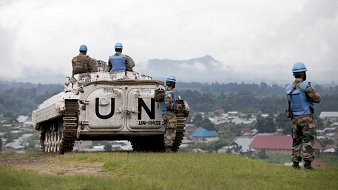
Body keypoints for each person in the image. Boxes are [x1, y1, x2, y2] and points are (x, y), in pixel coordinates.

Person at [285, 62, 321, 170]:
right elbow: (317, 98)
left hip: (295, 119)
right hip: (306, 118)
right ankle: (307, 165)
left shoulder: (289, 88)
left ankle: (295, 164)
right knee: (308, 140)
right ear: (303, 73)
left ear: (294, 74)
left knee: (296, 140)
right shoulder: (306, 86)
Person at [160, 75, 178, 153]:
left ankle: (166, 148)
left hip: (165, 114)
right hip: (170, 115)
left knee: (167, 131)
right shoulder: (168, 93)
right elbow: (169, 105)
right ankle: (168, 149)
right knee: (170, 132)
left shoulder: (164, 91)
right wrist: (177, 106)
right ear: (173, 84)